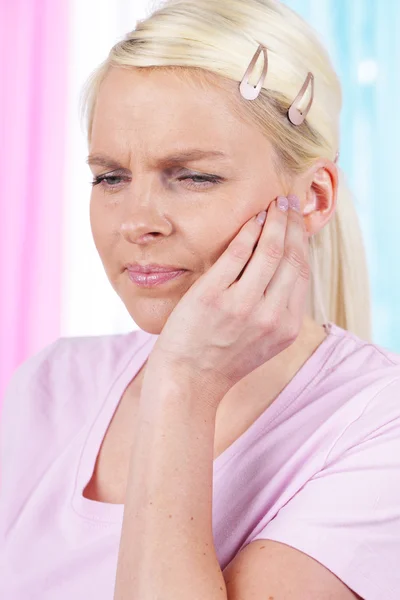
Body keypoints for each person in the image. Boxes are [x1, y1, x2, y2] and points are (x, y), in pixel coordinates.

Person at [1, 0, 399, 598]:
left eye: (193, 177)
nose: (137, 221)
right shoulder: (53, 384)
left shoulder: (379, 427)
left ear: (314, 198)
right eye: (110, 177)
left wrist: (182, 384)